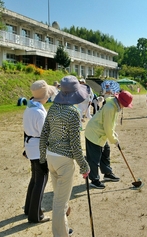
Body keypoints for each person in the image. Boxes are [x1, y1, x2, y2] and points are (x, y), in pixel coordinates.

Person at [39, 75, 90, 237]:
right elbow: (75, 145)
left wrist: (42, 156)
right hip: (64, 160)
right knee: (60, 204)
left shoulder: (53, 108)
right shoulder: (73, 113)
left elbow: (44, 132)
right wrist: (84, 165)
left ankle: (63, 230)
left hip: (51, 157)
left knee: (61, 200)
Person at [85, 90, 133, 189]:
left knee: (105, 151)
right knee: (94, 158)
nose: (125, 106)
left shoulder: (114, 105)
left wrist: (113, 133)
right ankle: (94, 180)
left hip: (100, 133)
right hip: (94, 133)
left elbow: (109, 124)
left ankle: (107, 173)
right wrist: (114, 140)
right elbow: (107, 127)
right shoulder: (110, 108)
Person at [22, 80, 55, 223]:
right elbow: (45, 133)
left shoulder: (30, 107)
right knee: (41, 180)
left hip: (31, 146)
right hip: (38, 148)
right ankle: (36, 215)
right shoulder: (38, 112)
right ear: (45, 96)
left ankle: (29, 208)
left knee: (35, 178)